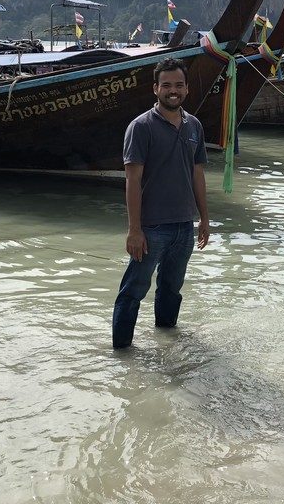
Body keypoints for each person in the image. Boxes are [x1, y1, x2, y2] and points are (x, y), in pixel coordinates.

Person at [112, 57, 210, 349]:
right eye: (166, 85)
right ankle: (122, 355)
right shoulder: (141, 127)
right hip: (151, 228)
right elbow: (132, 180)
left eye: (179, 85)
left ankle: (166, 345)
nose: (173, 90)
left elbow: (197, 174)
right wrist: (134, 230)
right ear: (155, 89)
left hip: (184, 226)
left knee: (171, 289)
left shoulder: (194, 126)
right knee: (133, 291)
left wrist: (204, 219)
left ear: (187, 89)